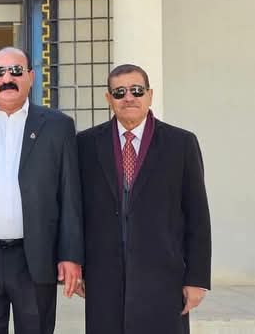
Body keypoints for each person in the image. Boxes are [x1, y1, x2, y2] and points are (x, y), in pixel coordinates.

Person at [0, 47, 83, 334]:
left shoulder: (58, 126)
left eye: (16, 71)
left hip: (35, 256)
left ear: (31, 77)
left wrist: (71, 255)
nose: (7, 78)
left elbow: (70, 194)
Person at [76, 64, 211, 334]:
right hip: (104, 277)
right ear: (108, 98)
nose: (129, 98)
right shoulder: (85, 144)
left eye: (137, 90)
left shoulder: (181, 143)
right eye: (120, 92)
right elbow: (75, 212)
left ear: (149, 95)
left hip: (163, 276)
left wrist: (197, 278)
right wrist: (76, 266)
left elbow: (197, 215)